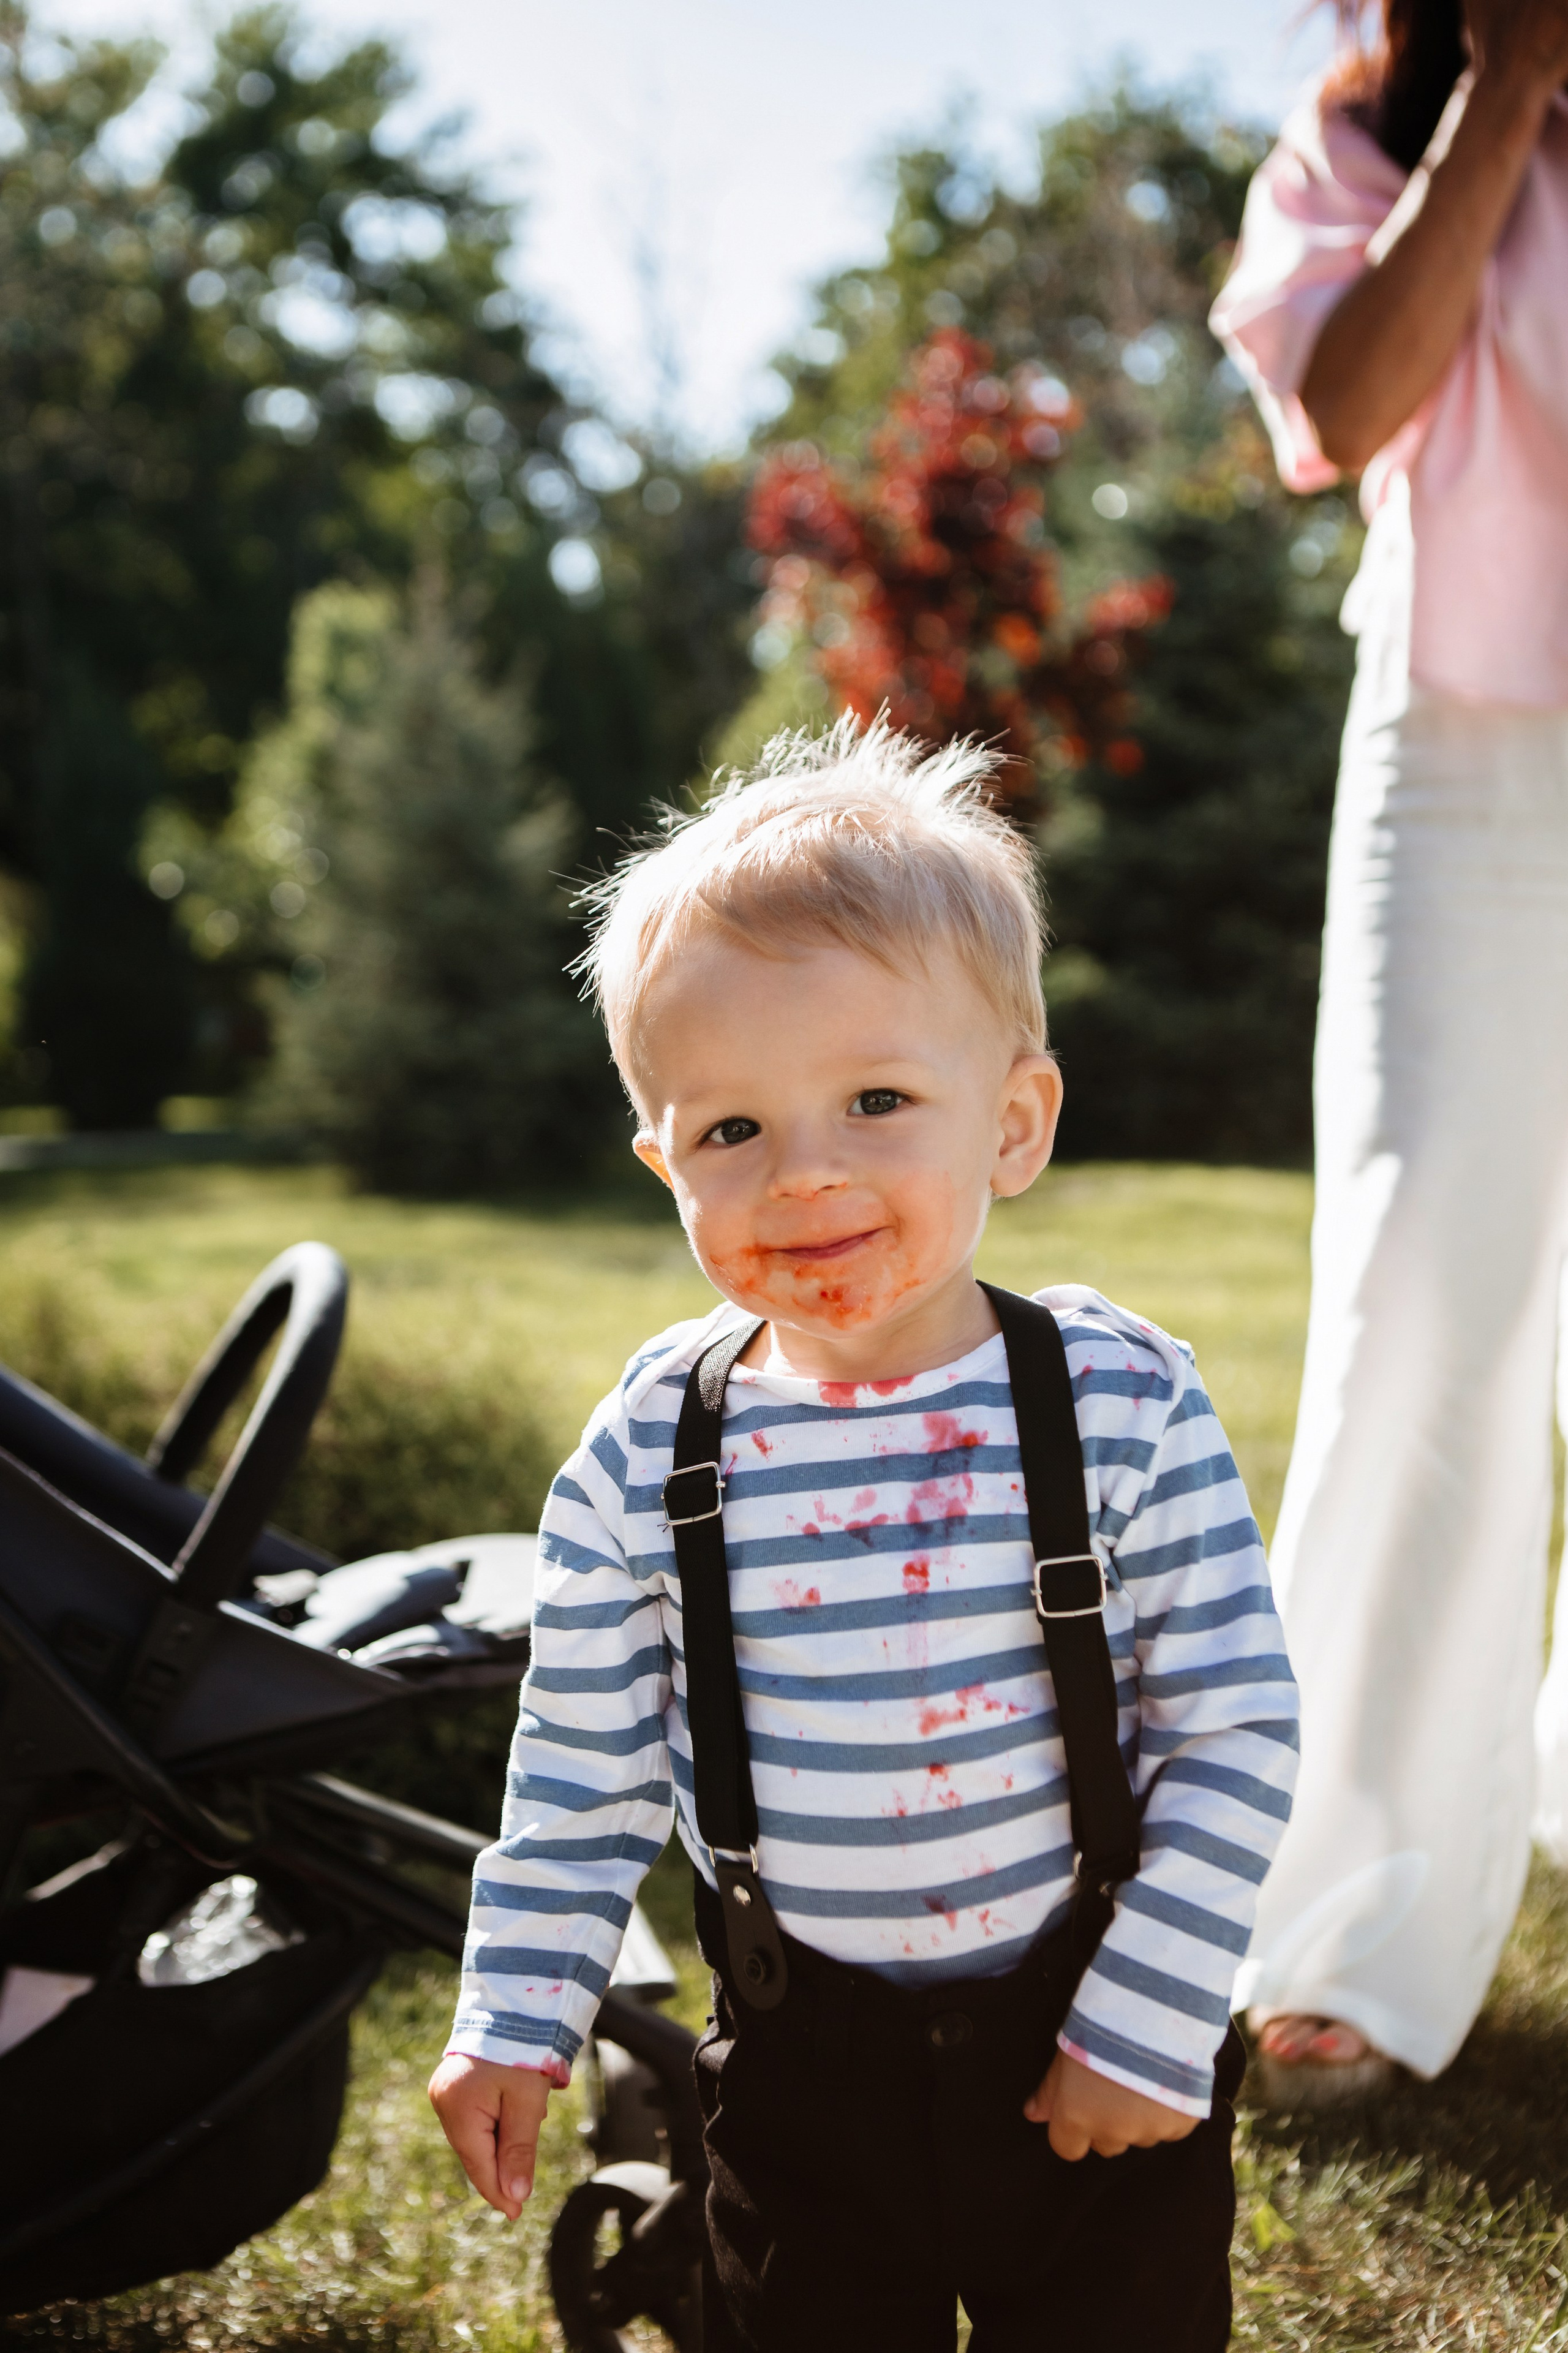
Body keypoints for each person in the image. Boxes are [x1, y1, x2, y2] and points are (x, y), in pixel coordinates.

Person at [428, 717, 1297, 2351]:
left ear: (1015, 1123)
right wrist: (515, 2007)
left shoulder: (1114, 1400)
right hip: (800, 2066)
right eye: (731, 1130)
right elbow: (581, 1767)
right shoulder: (648, 1451)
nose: (805, 1173)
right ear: (661, 1161)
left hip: (1088, 2023)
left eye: (878, 1097)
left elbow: (1232, 1724)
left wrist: (1151, 2012)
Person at [1210, 0, 1568, 2106]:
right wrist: (1507, 103)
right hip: (1463, 762)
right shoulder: (1369, 132)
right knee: (1424, 1286)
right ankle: (1341, 1909)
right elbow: (1338, 408)